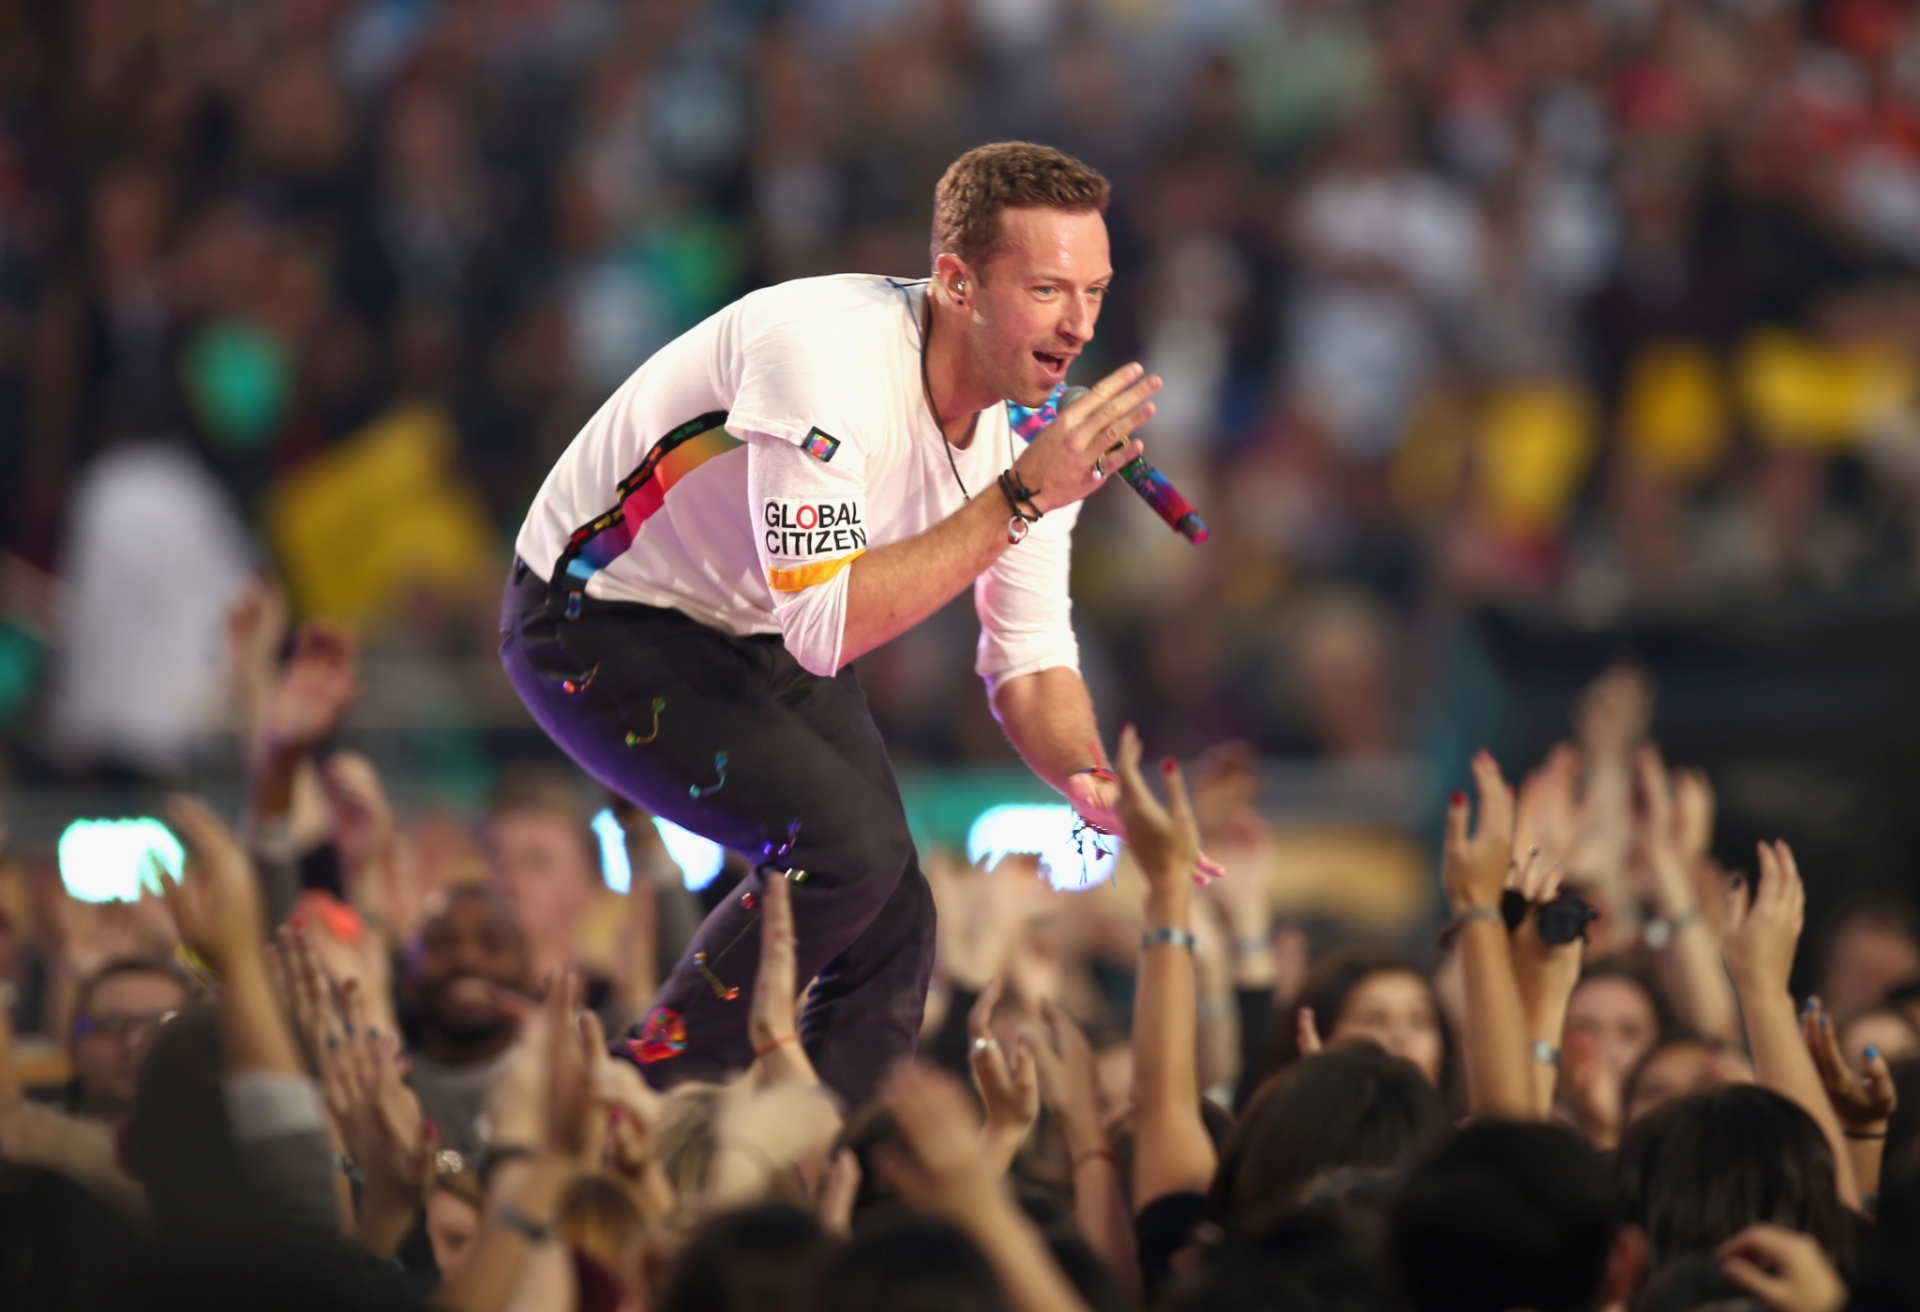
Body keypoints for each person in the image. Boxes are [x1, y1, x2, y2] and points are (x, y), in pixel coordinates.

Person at [501, 140, 1176, 1104]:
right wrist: (1023, 494)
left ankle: (817, 1178)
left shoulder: (1034, 429)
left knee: (896, 925)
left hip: (750, 620)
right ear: (956, 283)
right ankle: (634, 1107)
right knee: (846, 853)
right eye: (1048, 291)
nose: (1078, 327)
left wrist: (1093, 781)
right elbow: (824, 628)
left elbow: (1026, 656)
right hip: (592, 611)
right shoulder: (827, 357)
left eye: (1096, 293)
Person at [56, 956, 188, 1121]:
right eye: (111, 1025)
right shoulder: (35, 1140)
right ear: (74, 1047)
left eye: (162, 1024)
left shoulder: (223, 1135)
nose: (134, 1044)